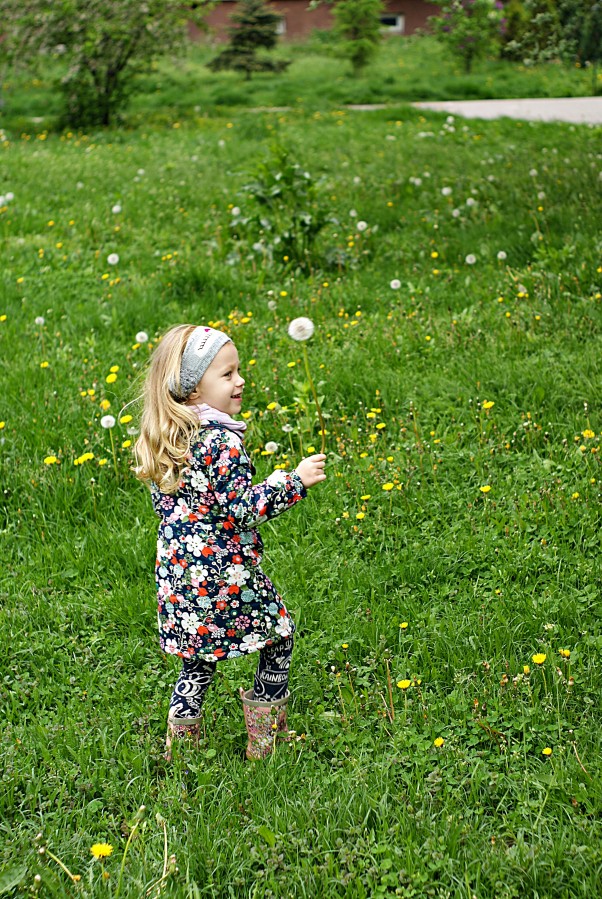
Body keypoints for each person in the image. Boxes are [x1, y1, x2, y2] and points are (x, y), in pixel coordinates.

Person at [135, 324, 326, 759]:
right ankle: (266, 742)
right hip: (225, 573)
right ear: (193, 388)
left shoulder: (169, 437)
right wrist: (294, 481)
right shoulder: (220, 441)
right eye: (227, 374)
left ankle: (181, 752)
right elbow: (241, 509)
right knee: (278, 638)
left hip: (179, 575)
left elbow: (187, 509)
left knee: (196, 660)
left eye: (238, 371)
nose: (240, 381)